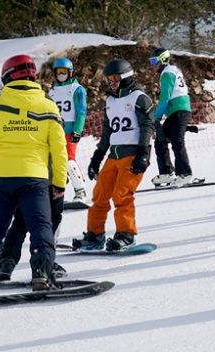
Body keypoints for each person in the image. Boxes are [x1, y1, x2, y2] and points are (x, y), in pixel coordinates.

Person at [0, 55, 68, 298]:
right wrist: (59, 182)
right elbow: (59, 150)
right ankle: (42, 273)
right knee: (41, 226)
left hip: (2, 180)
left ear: (7, 76)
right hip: (35, 180)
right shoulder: (48, 107)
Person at [72, 59, 155, 251]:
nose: (111, 82)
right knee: (99, 195)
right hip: (114, 155)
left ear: (126, 77)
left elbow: (147, 126)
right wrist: (96, 158)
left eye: (115, 78)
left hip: (133, 153)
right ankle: (95, 235)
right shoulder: (110, 100)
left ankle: (126, 234)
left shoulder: (139, 97)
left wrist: (143, 154)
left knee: (122, 194)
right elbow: (108, 131)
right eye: (108, 79)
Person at [148, 48, 195, 188]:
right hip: (177, 110)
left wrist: (156, 117)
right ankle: (167, 173)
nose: (153, 65)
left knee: (177, 141)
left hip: (178, 110)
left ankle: (185, 174)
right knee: (161, 140)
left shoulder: (167, 73)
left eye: (154, 61)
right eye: (151, 62)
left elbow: (165, 97)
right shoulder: (173, 70)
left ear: (163, 59)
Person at [48, 58, 89, 202]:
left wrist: (77, 130)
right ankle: (57, 194)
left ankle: (80, 191)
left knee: (69, 160)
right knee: (54, 163)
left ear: (70, 73)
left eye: (63, 72)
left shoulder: (76, 89)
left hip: (70, 130)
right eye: (58, 72)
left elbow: (81, 111)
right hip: (55, 132)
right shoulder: (52, 91)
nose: (61, 75)